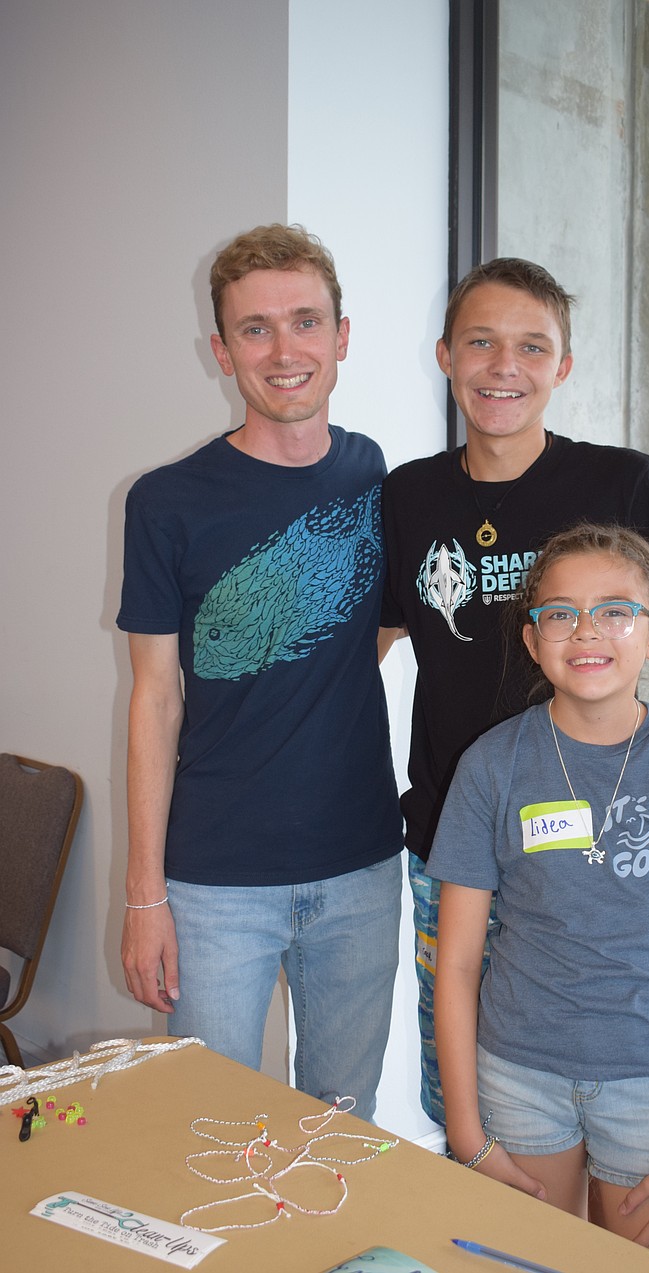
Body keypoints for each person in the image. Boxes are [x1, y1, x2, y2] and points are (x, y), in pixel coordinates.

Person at [379, 257, 649, 1125]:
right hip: (451, 845)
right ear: (444, 356)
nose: (504, 366)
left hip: (604, 852)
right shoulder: (408, 494)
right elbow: (373, 648)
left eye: (531, 346)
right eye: (482, 342)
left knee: (612, 1093)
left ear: (562, 367)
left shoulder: (619, 481)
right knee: (471, 1104)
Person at [117, 223, 402, 1120]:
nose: (286, 350)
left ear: (343, 336)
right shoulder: (165, 502)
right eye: (256, 328)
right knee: (215, 1133)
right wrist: (143, 893)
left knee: (340, 1131)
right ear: (221, 350)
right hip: (213, 884)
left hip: (362, 864)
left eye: (306, 322)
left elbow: (377, 628)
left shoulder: (371, 471)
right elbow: (155, 700)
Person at [428, 524, 649, 1270]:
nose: (586, 630)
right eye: (560, 613)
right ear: (534, 637)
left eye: (615, 610)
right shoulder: (490, 767)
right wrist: (468, 1137)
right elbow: (458, 966)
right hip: (518, 1076)